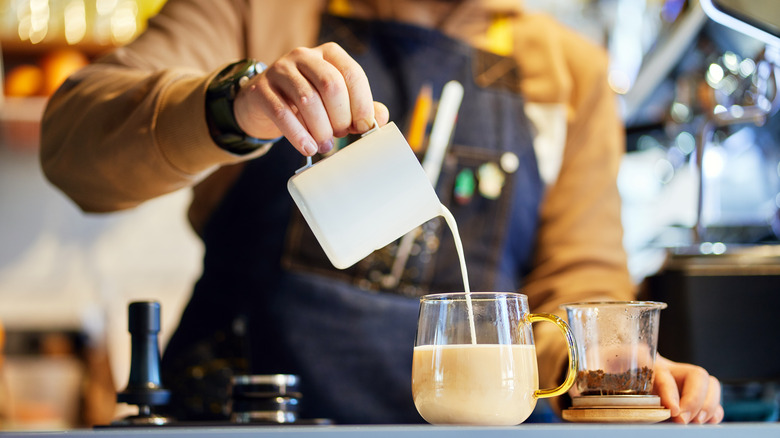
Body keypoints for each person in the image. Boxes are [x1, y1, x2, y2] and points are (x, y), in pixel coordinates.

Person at [40, 0, 723, 425]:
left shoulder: (568, 74)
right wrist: (238, 103)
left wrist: (613, 368)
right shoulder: (258, 10)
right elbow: (73, 147)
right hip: (243, 415)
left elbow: (575, 285)